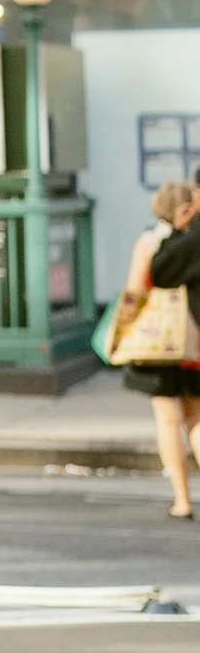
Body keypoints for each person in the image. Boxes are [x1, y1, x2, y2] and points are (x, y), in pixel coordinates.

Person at [117, 181, 200, 518]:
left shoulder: (150, 242)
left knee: (168, 421)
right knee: (196, 418)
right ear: (185, 210)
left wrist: (122, 326)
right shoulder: (194, 243)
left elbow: (135, 290)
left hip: (157, 346)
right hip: (194, 343)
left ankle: (182, 500)